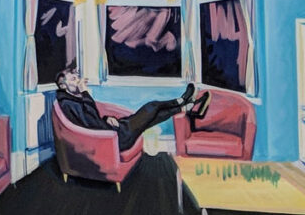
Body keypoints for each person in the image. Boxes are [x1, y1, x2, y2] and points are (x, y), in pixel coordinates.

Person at [51, 66, 207, 161]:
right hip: (116, 138)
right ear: (63, 86)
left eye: (77, 77)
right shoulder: (68, 104)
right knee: (151, 107)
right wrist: (85, 92)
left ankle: (186, 106)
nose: (78, 81)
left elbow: (92, 118)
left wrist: (107, 117)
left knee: (152, 116)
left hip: (112, 131)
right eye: (73, 79)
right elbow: (90, 121)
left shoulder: (71, 99)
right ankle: (182, 101)